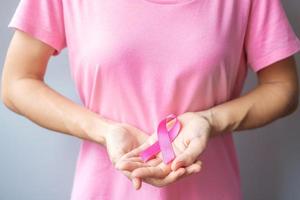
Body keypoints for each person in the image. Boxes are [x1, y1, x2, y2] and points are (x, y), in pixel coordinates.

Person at [1, 0, 300, 199]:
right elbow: (17, 82)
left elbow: (283, 86)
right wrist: (104, 131)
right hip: (103, 191)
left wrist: (210, 121)